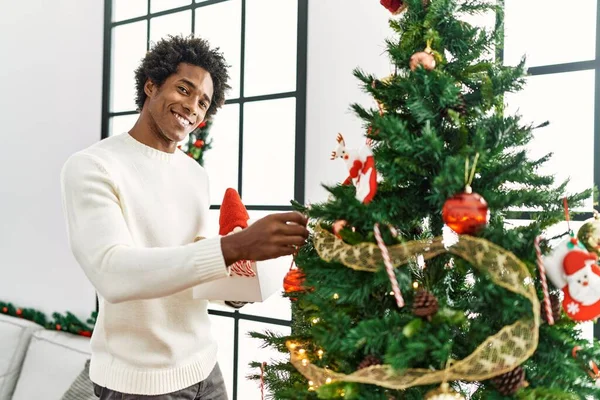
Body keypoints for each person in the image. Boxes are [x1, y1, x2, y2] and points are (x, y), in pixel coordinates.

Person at [60, 35, 309, 399]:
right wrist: (234, 246)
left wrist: (238, 288)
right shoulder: (92, 167)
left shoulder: (195, 175)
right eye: (183, 89)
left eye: (203, 102)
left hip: (204, 368)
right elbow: (112, 272)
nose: (192, 106)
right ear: (151, 85)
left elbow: (191, 270)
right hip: (140, 384)